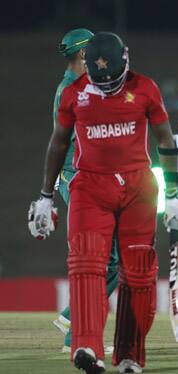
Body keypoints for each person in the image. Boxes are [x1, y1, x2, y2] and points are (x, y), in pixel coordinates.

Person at [27, 32, 178, 374]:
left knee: (139, 272)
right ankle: (85, 344)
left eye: (114, 83)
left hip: (138, 186)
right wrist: (44, 196)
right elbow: (57, 144)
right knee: (86, 263)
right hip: (89, 186)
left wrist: (174, 193)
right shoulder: (72, 93)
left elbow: (165, 140)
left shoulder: (145, 88)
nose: (108, 89)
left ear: (125, 62)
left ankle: (129, 355)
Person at [48, 27, 117, 356]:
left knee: (112, 261)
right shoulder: (71, 90)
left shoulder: (84, 86)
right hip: (80, 181)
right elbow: (62, 143)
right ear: (81, 54)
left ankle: (71, 318)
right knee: (98, 260)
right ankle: (76, 334)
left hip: (92, 180)